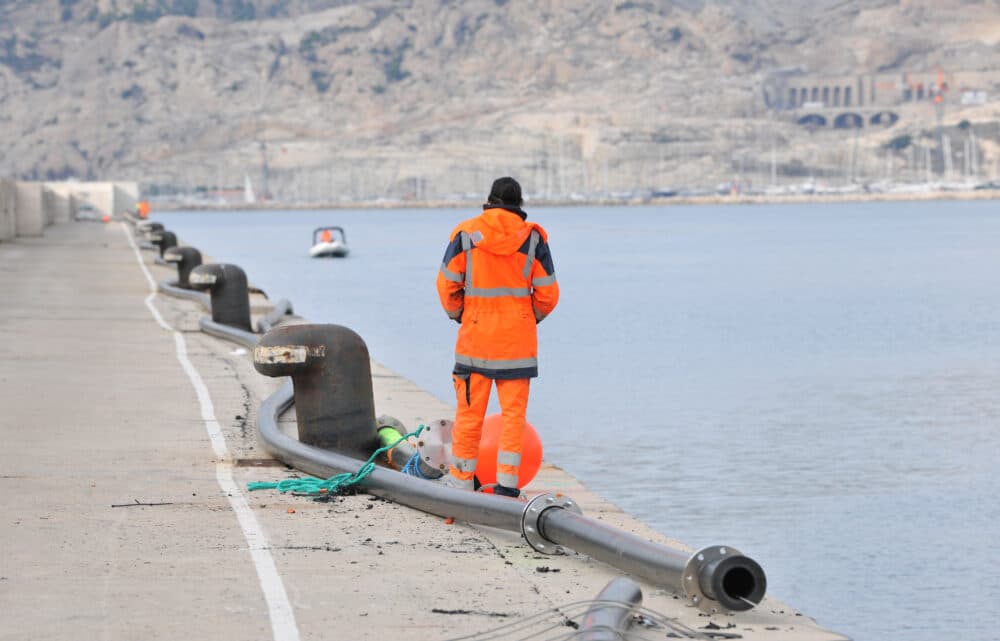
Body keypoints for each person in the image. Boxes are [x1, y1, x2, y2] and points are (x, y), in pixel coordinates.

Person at [435, 177, 559, 497]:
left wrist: (462, 314)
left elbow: (447, 286)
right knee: (513, 418)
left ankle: (461, 483)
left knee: (469, 415)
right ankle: (506, 486)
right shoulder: (533, 240)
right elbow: (548, 294)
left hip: (475, 339)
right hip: (517, 343)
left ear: (489, 200)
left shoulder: (465, 234)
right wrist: (527, 318)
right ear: (519, 205)